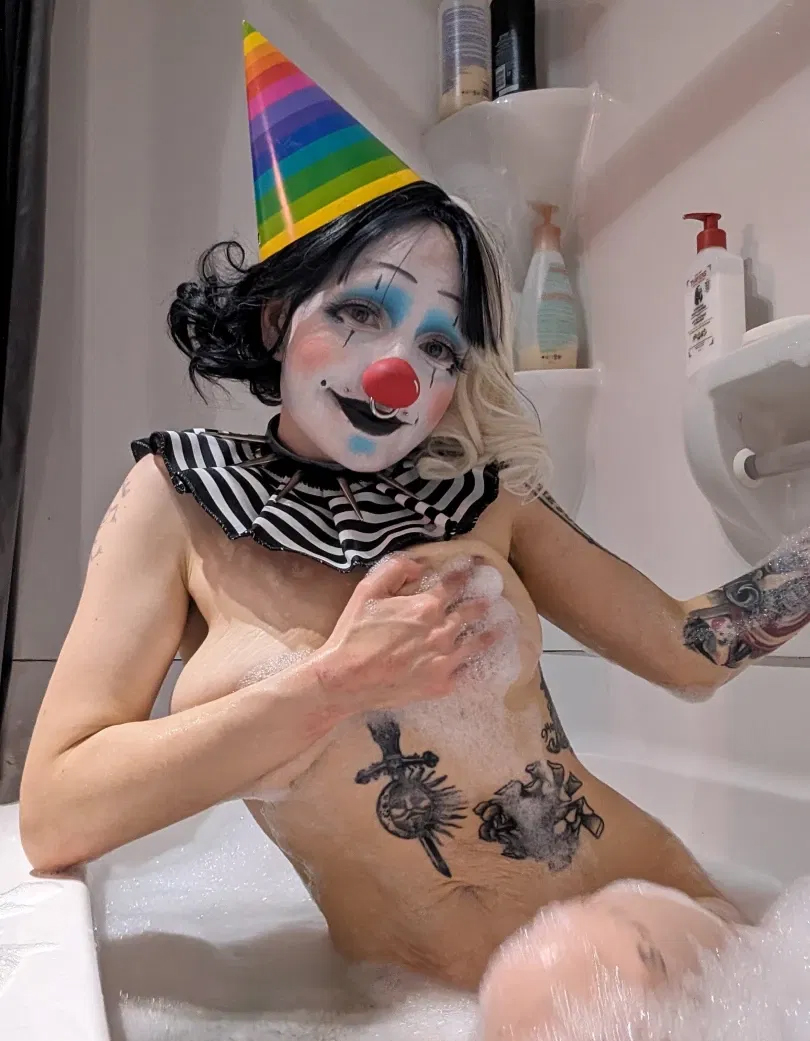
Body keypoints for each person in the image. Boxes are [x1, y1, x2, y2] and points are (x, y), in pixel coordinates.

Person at [19, 22, 810, 1040]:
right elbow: (56, 814)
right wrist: (334, 683)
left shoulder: (484, 500)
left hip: (645, 943)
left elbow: (686, 649)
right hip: (421, 1000)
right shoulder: (178, 500)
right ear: (278, 320)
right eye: (360, 313)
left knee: (562, 970)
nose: (400, 372)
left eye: (438, 345)